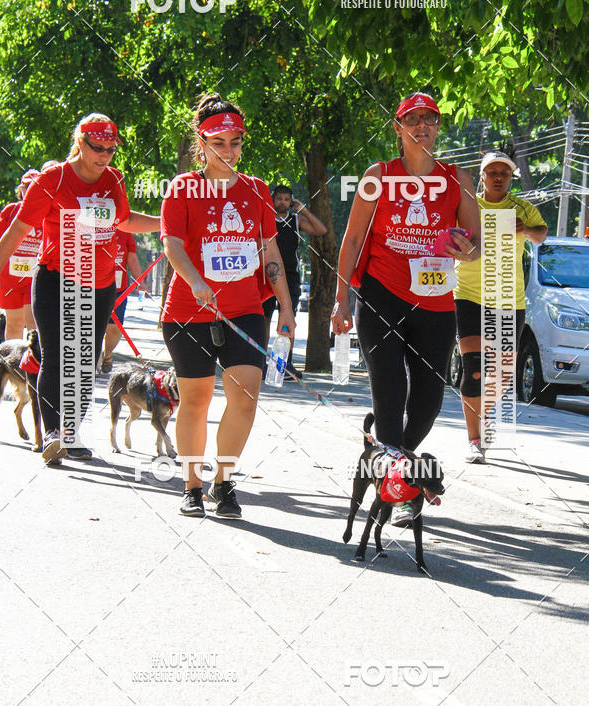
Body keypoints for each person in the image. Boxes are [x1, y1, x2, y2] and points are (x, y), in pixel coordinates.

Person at [332, 91, 481, 526]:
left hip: (435, 303)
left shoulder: (457, 179)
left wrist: (467, 248)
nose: (422, 126)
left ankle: (392, 460)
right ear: (398, 129)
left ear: (437, 127)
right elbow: (353, 240)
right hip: (382, 294)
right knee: (390, 388)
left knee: (430, 399)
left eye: (429, 119)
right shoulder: (378, 176)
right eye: (412, 119)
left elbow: (476, 247)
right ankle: (397, 488)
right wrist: (341, 298)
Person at [0, 113, 160, 464]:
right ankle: (52, 433)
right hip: (55, 280)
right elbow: (16, 232)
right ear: (79, 143)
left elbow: (124, 220)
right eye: (97, 148)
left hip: (99, 285)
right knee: (55, 354)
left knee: (84, 360)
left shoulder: (113, 180)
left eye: (111, 149)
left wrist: (166, 220)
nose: (104, 156)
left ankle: (72, 432)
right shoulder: (53, 180)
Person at [160, 92, 296, 519]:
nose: (229, 150)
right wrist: (196, 280)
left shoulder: (256, 190)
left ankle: (223, 482)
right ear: (202, 144)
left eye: (235, 141)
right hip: (188, 311)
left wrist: (287, 310)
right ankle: (192, 486)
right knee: (196, 401)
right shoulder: (183, 187)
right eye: (218, 142)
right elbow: (173, 246)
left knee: (244, 400)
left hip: (244, 310)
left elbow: (270, 252)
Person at [454, 151, 548, 463]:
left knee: (503, 375)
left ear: (510, 178)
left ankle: (484, 415)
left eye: (503, 173)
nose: (497, 177)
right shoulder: (467, 205)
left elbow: (541, 235)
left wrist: (526, 230)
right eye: (491, 172)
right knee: (475, 368)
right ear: (481, 176)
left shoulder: (521, 207)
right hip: (467, 294)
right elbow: (447, 239)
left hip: (508, 299)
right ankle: (474, 440)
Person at [262, 184, 327, 379]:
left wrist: (304, 209)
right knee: (263, 318)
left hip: (290, 276)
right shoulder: (264, 219)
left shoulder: (296, 220)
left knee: (287, 316)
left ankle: (285, 364)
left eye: (287, 199)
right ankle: (260, 362)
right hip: (267, 275)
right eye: (279, 198)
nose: (282, 202)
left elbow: (320, 229)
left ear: (291, 203)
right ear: (272, 199)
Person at [0, 163, 56, 339]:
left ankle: (31, 364)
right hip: (9, 277)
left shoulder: (48, 213)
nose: (30, 190)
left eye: (35, 186)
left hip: (34, 278)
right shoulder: (11, 211)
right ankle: (14, 365)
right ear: (22, 189)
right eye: (27, 186)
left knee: (33, 324)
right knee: (14, 323)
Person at [99, 229, 150, 373]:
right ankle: (92, 362)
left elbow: (132, 258)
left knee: (114, 328)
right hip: (92, 285)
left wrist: (140, 282)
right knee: (93, 326)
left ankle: (107, 354)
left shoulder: (125, 231)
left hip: (118, 289)